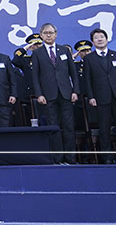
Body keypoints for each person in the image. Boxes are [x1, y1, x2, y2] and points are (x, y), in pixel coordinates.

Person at [28, 23, 79, 164]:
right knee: (54, 127)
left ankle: (71, 158)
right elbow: (35, 76)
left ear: (56, 34)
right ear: (41, 35)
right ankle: (57, 158)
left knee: (69, 126)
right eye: (45, 33)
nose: (49, 35)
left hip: (66, 94)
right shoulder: (37, 53)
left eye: (51, 32)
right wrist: (39, 94)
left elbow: (73, 73)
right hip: (48, 96)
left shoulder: (64, 50)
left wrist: (75, 91)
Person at [82, 29, 116, 163]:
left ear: (107, 39)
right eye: (96, 38)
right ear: (93, 42)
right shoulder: (89, 58)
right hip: (101, 98)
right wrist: (91, 96)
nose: (100, 39)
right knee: (104, 129)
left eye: (102, 37)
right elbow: (87, 80)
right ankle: (107, 157)